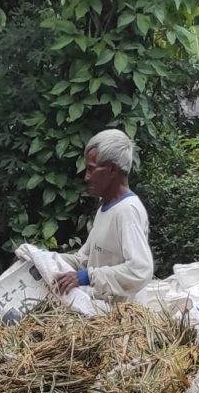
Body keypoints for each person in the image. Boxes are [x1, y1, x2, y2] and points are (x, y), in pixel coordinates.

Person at [54, 129, 153, 300]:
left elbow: (140, 270)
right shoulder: (105, 209)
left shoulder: (127, 210)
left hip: (121, 316)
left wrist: (87, 277)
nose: (86, 177)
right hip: (101, 311)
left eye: (91, 170)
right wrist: (46, 259)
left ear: (112, 169)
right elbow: (85, 259)